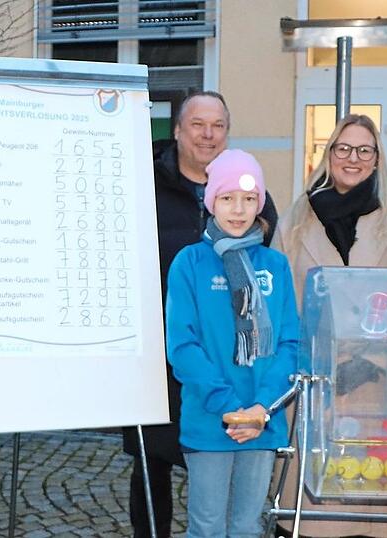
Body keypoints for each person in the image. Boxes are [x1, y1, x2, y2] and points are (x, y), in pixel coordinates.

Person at [125, 90, 279, 537]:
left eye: (218, 126)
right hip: (159, 354)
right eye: (198, 124)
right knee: (151, 466)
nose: (208, 135)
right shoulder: (144, 186)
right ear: (177, 130)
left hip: (228, 364)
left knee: (219, 468)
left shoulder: (254, 199)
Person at [272, 114, 387, 537]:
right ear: (329, 154)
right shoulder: (296, 220)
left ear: (376, 160)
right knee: (314, 516)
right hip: (314, 384)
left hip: (375, 386)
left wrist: (371, 360)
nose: (352, 158)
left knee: (368, 507)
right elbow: (281, 305)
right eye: (343, 148)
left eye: (364, 150)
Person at [166, 149, 298, 537]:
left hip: (263, 421)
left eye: (248, 198)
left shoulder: (275, 266)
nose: (238, 210)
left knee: (246, 526)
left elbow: (291, 342)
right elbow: (183, 346)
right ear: (211, 202)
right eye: (227, 198)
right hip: (210, 420)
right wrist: (228, 408)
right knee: (207, 527)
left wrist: (261, 408)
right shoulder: (189, 263)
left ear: (260, 202)